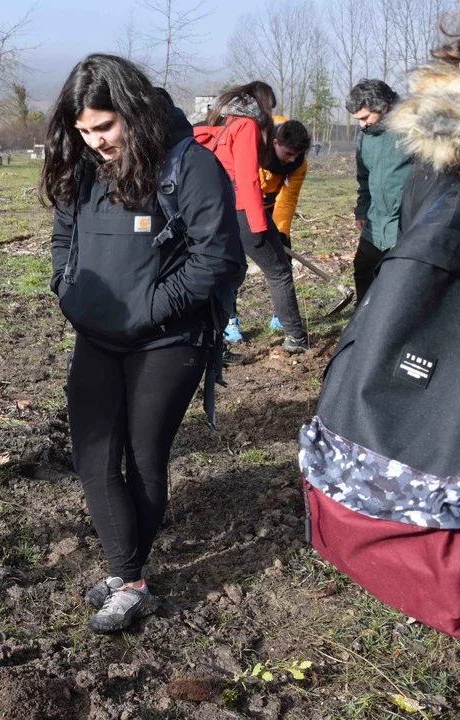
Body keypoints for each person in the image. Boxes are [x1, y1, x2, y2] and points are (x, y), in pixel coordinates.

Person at [41, 54, 243, 632]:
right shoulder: (81, 164)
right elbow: (64, 237)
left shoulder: (189, 165)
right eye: (83, 130)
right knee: (94, 456)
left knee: (143, 455)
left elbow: (216, 256)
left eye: (104, 127)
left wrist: (150, 308)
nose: (95, 141)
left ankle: (128, 580)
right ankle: (125, 571)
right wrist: (67, 290)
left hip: (169, 339)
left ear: (131, 111)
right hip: (96, 335)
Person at [299, 38, 460, 638]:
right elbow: (378, 187)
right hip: (400, 245)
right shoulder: (427, 152)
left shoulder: (421, 144)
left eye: (368, 115)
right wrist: (368, 217)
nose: (363, 123)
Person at [194, 82, 310, 355]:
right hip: (242, 208)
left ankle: (218, 339)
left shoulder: (219, 122)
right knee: (279, 271)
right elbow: (247, 178)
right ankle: (295, 338)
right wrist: (258, 227)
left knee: (228, 271)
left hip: (214, 208)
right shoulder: (246, 126)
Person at [346, 79, 413, 301]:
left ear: (383, 107)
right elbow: (364, 177)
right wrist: (362, 209)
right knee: (363, 269)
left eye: (365, 118)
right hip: (376, 222)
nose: (362, 125)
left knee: (400, 281)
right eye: (358, 119)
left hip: (407, 222)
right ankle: (363, 317)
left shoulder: (413, 127)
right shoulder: (365, 137)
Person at [259, 118, 311, 331]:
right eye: (288, 153)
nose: (292, 159)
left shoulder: (299, 163)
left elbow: (288, 199)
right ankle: (230, 321)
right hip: (240, 205)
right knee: (233, 264)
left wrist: (279, 232)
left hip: (273, 205)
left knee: (282, 262)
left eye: (297, 155)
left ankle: (281, 315)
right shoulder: (255, 144)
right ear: (275, 143)